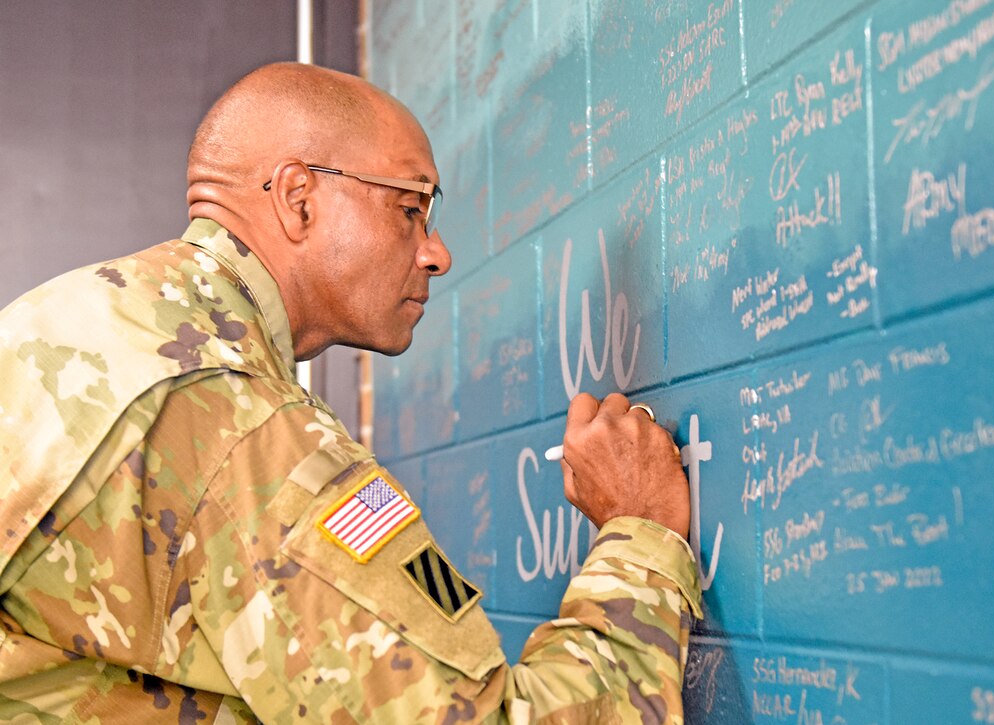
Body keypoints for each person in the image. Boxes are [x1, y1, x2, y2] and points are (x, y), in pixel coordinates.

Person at [0, 62, 702, 723]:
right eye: (410, 208)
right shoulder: (232, 423)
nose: (436, 251)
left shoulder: (73, 320)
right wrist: (642, 535)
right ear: (299, 200)